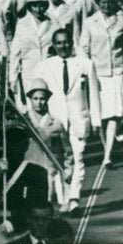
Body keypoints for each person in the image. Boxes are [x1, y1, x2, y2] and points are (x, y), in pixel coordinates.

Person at [34, 28, 101, 213]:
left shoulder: (85, 64)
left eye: (66, 42)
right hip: (55, 121)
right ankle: (63, 197)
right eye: (59, 43)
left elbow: (93, 94)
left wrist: (96, 121)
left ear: (71, 43)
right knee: (58, 160)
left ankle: (74, 198)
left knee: (78, 159)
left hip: (79, 119)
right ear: (53, 45)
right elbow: (37, 95)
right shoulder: (44, 66)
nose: (63, 46)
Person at [78, 0, 123, 168]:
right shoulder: (90, 23)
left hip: (117, 73)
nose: (106, 6)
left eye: (109, 2)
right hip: (97, 74)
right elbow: (84, 49)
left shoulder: (122, 20)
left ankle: (107, 155)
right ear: (98, 3)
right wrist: (85, 72)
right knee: (101, 116)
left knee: (115, 115)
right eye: (102, 2)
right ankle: (107, 147)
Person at [25, 78, 72, 209]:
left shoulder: (55, 123)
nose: (39, 102)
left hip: (50, 174)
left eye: (42, 98)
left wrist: (68, 170)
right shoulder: (23, 123)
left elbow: (67, 151)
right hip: (28, 174)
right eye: (35, 98)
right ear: (30, 99)